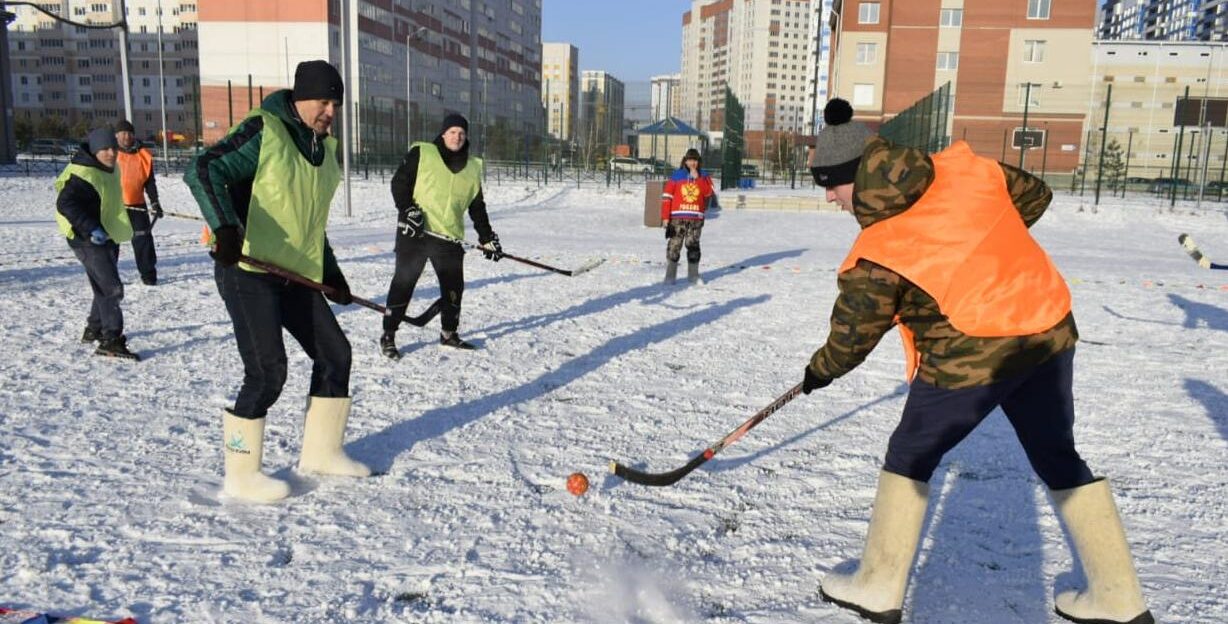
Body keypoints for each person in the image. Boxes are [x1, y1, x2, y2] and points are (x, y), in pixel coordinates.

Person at [804, 99, 1152, 624]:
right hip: (1045, 328)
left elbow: (852, 338)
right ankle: (1117, 596)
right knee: (1056, 454)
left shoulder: (877, 249)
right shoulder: (964, 170)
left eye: (831, 184)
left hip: (972, 350)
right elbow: (1034, 193)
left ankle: (877, 586)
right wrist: (983, 247)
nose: (829, 196)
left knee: (910, 455)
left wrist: (820, 371)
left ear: (856, 173)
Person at [185, 60, 370, 503]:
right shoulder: (265, 129)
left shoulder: (324, 153)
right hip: (248, 271)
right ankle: (242, 475)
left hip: (294, 273)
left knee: (335, 354)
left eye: (336, 104)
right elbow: (204, 169)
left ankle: (322, 453)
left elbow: (310, 224)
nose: (330, 111)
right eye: (323, 101)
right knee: (267, 372)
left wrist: (331, 273)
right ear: (301, 97)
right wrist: (225, 228)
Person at [379, 112, 501, 358]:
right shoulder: (422, 153)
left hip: (449, 237)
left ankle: (448, 333)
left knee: (454, 287)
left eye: (461, 133)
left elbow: (477, 207)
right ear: (443, 134)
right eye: (452, 132)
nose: (457, 137)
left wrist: (487, 237)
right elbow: (399, 183)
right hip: (416, 232)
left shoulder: (472, 167)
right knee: (404, 282)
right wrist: (408, 210)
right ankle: (389, 335)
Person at [55, 127, 140, 361]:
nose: (111, 153)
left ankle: (94, 328)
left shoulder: (108, 167)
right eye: (104, 149)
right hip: (86, 238)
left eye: (113, 148)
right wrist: (91, 227)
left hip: (106, 233)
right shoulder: (82, 174)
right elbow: (65, 204)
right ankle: (110, 339)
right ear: (94, 150)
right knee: (111, 288)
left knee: (102, 284)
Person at [114, 119, 163, 285]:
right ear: (116, 135)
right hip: (115, 206)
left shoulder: (144, 155)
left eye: (129, 133)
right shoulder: (110, 154)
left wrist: (155, 202)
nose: (126, 136)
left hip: (137, 205)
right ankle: (108, 276)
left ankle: (148, 275)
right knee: (111, 242)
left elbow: (150, 182)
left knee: (143, 241)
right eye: (123, 133)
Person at [659, 147, 714, 284]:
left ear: (698, 161)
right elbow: (667, 197)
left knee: (693, 245)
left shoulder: (704, 176)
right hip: (677, 218)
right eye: (690, 160)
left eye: (695, 160)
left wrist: (698, 179)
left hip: (695, 218)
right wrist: (665, 217)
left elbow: (708, 193)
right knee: (674, 245)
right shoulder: (677, 175)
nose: (692, 163)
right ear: (685, 161)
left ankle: (693, 276)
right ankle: (670, 276)